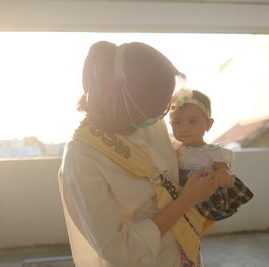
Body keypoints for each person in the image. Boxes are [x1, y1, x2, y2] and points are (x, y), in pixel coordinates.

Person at [58, 41, 232, 267]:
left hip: (183, 255)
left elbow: (170, 170)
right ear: (120, 97)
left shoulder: (146, 123)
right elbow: (117, 248)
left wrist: (214, 170)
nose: (161, 116)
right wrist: (187, 199)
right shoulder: (82, 158)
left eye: (165, 105)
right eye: (155, 106)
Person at [169, 88, 253, 221]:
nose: (184, 128)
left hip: (201, 198)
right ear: (170, 124)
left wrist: (222, 174)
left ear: (208, 124)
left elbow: (223, 168)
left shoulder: (212, 151)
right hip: (174, 199)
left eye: (192, 121)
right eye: (177, 122)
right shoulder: (171, 147)